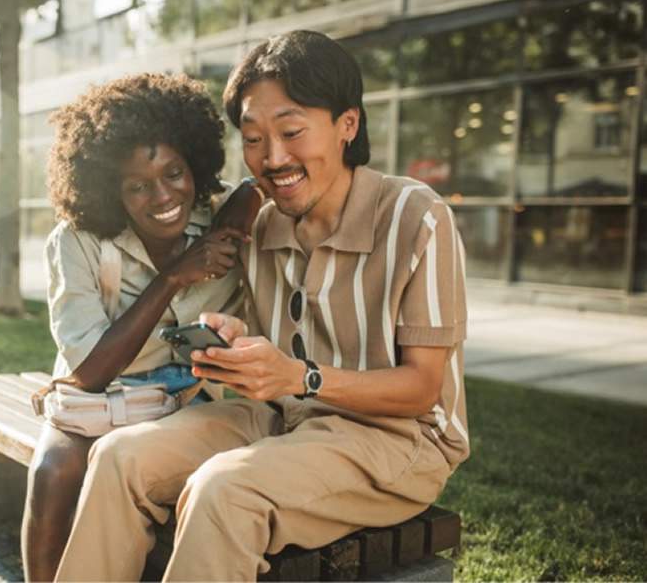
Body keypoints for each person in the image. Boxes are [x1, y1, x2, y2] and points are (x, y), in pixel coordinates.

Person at [53, 30, 470, 582]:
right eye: (253, 139)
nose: (273, 158)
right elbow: (276, 350)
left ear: (348, 124)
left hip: (398, 440)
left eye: (292, 132)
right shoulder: (266, 223)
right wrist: (234, 339)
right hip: (285, 418)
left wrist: (300, 377)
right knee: (118, 458)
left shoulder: (418, 218)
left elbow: (422, 390)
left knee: (224, 490)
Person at [21, 73, 260, 581]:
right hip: (98, 399)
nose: (163, 195)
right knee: (54, 471)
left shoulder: (217, 223)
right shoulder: (78, 241)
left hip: (183, 402)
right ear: (111, 192)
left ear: (195, 164)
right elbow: (87, 372)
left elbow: (262, 186)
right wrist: (172, 278)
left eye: (175, 173)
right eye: (138, 186)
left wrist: (244, 198)